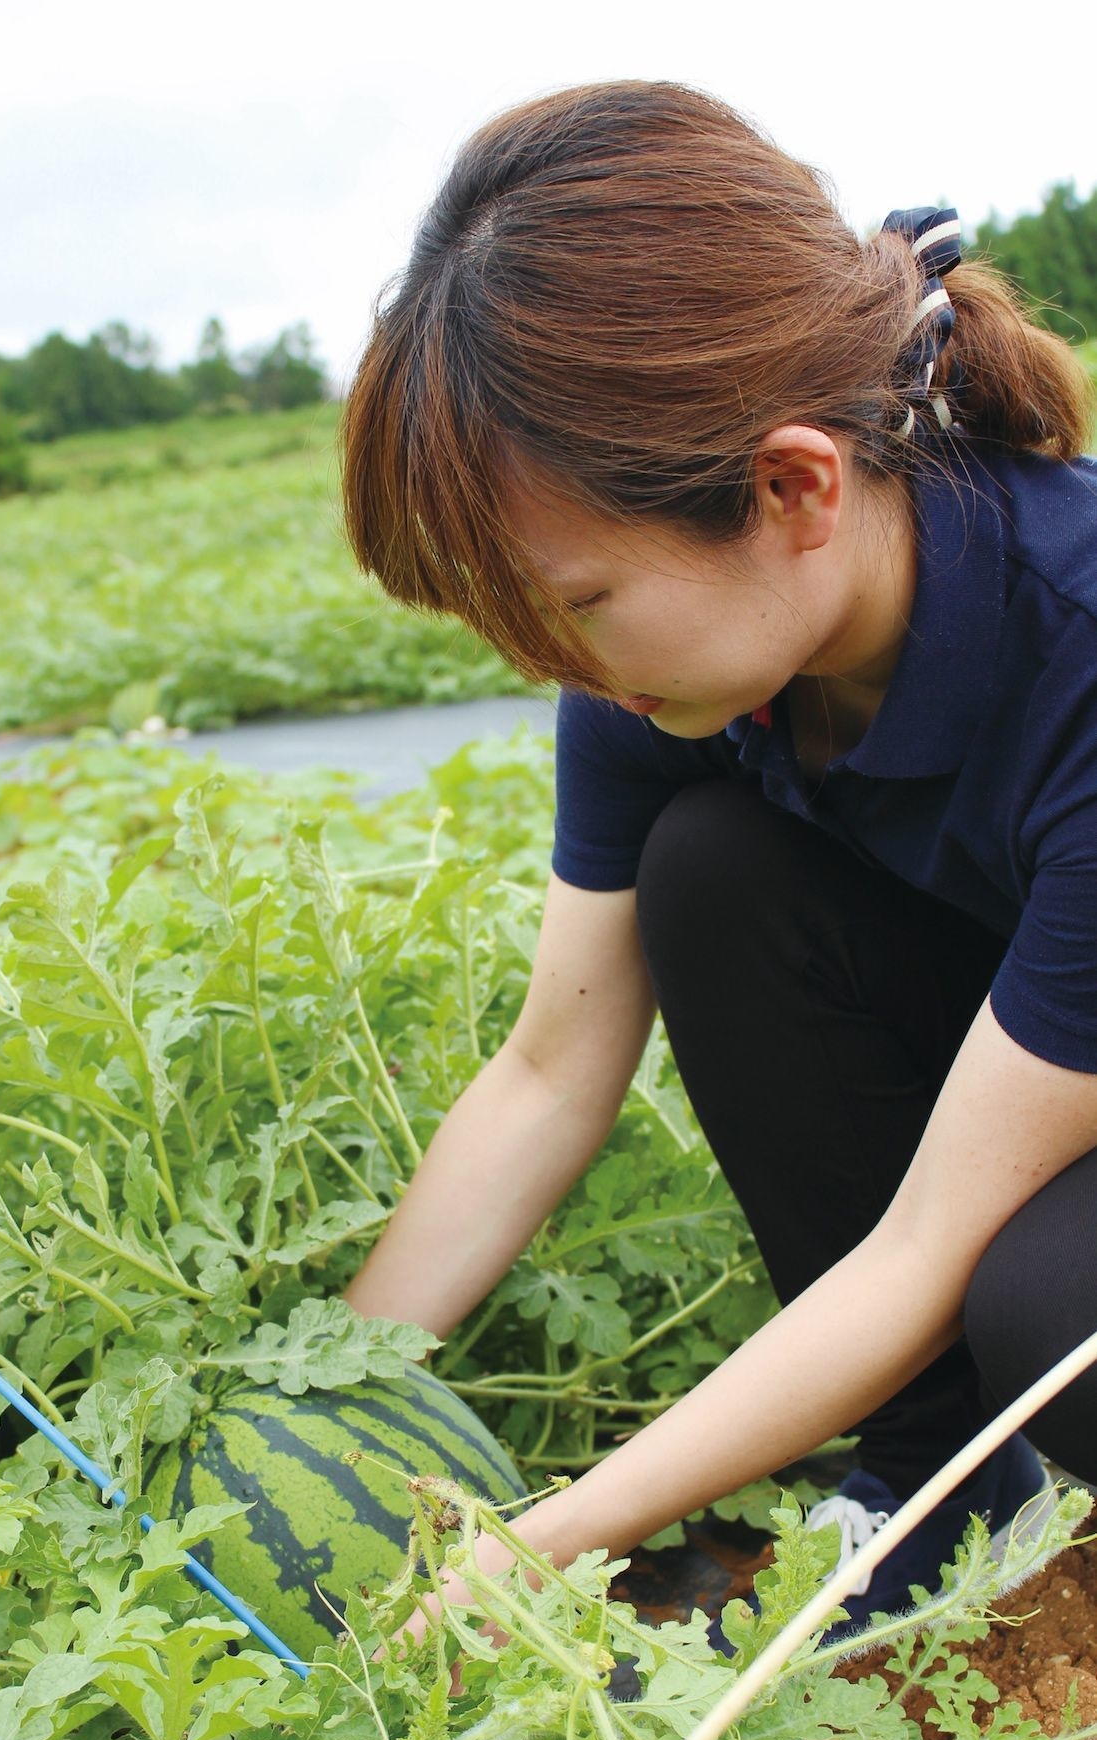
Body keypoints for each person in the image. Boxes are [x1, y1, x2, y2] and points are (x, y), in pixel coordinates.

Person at [336, 79, 1097, 1631]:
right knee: (711, 868)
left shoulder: (1077, 643)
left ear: (792, 484)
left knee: (1053, 1308)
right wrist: (326, 1385)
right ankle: (939, 1488)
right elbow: (549, 1072)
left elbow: (930, 1243)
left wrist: (547, 1535)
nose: (551, 660)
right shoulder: (674, 672)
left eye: (574, 601)